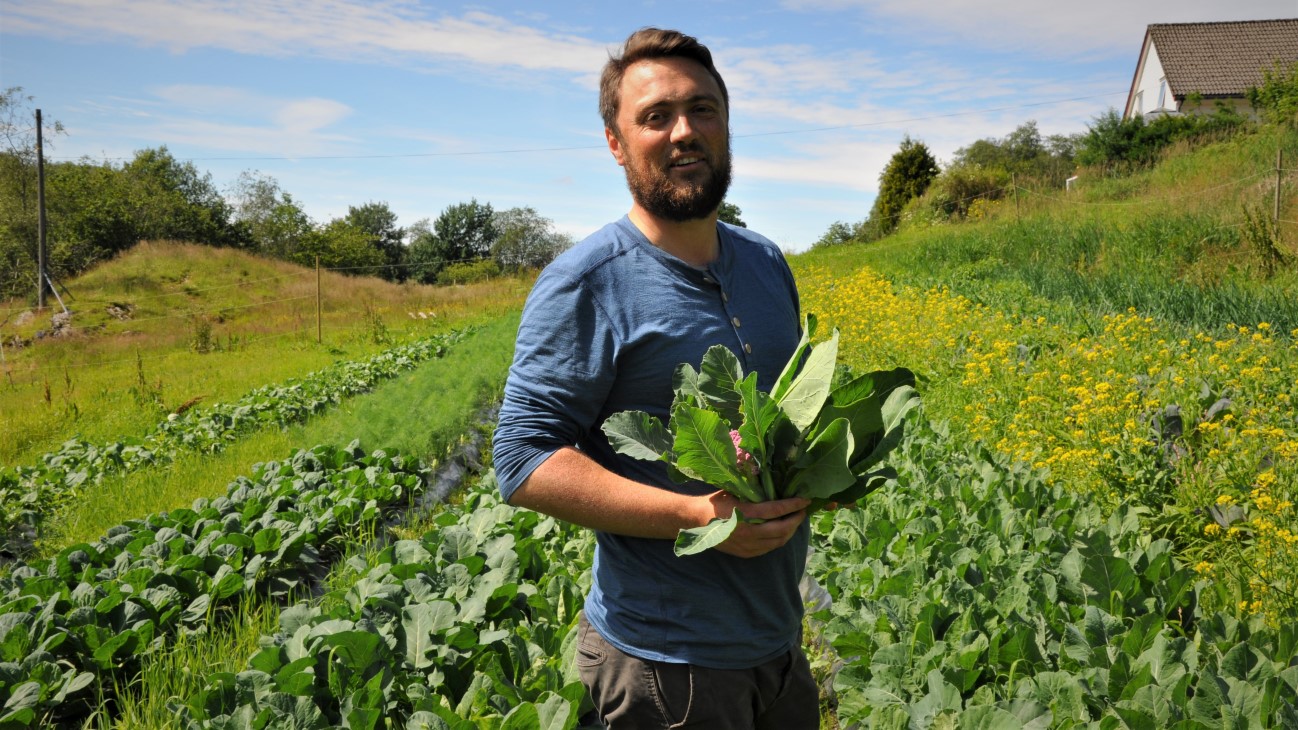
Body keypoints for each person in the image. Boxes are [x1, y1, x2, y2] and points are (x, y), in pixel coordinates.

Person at [492, 27, 820, 729]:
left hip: (780, 647)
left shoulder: (765, 262)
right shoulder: (587, 283)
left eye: (703, 109)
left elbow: (773, 429)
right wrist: (696, 518)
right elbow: (521, 460)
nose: (684, 131)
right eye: (655, 116)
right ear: (615, 143)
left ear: (727, 125)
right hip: (666, 671)